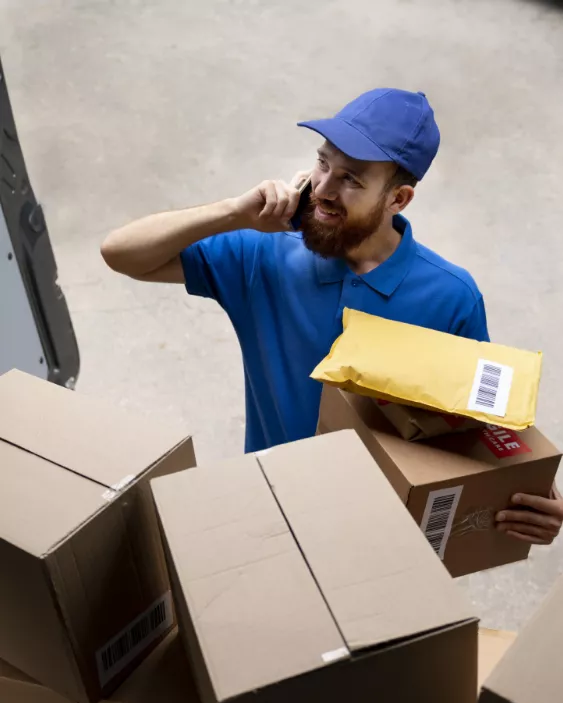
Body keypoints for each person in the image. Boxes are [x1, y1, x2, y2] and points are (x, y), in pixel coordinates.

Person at [101, 87, 562, 546]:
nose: (323, 189)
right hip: (269, 509)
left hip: (381, 533)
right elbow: (122, 254)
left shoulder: (450, 297)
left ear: (398, 199)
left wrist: (534, 495)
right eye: (323, 163)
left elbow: (482, 423)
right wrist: (234, 213)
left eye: (352, 179)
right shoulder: (264, 254)